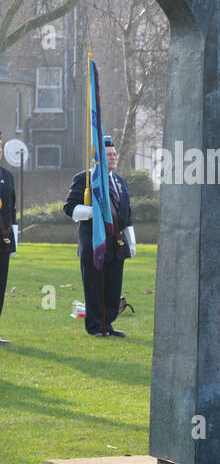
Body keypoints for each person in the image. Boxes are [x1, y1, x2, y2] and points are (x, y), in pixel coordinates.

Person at [63, 135, 133, 337]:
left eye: (114, 154)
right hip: (94, 241)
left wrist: (132, 241)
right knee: (94, 286)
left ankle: (107, 324)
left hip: (116, 243)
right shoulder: (85, 179)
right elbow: (69, 208)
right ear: (99, 156)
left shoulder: (120, 181)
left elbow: (127, 214)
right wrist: (94, 211)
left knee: (113, 286)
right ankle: (94, 326)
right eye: (108, 155)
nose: (112, 158)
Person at [0, 129, 15, 345]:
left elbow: (11, 210)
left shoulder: (7, 176)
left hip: (2, 240)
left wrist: (13, 238)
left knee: (0, 285)